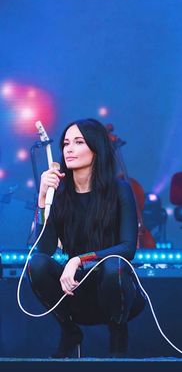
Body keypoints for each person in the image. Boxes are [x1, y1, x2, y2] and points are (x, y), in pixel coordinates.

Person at [28, 118, 146, 358]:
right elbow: (45, 248)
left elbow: (127, 248)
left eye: (79, 142)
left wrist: (78, 260)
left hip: (113, 288)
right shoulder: (61, 194)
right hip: (75, 290)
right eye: (66, 143)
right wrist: (42, 201)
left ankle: (118, 335)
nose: (69, 149)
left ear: (96, 148)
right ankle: (69, 331)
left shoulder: (119, 189)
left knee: (115, 266)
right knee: (36, 264)